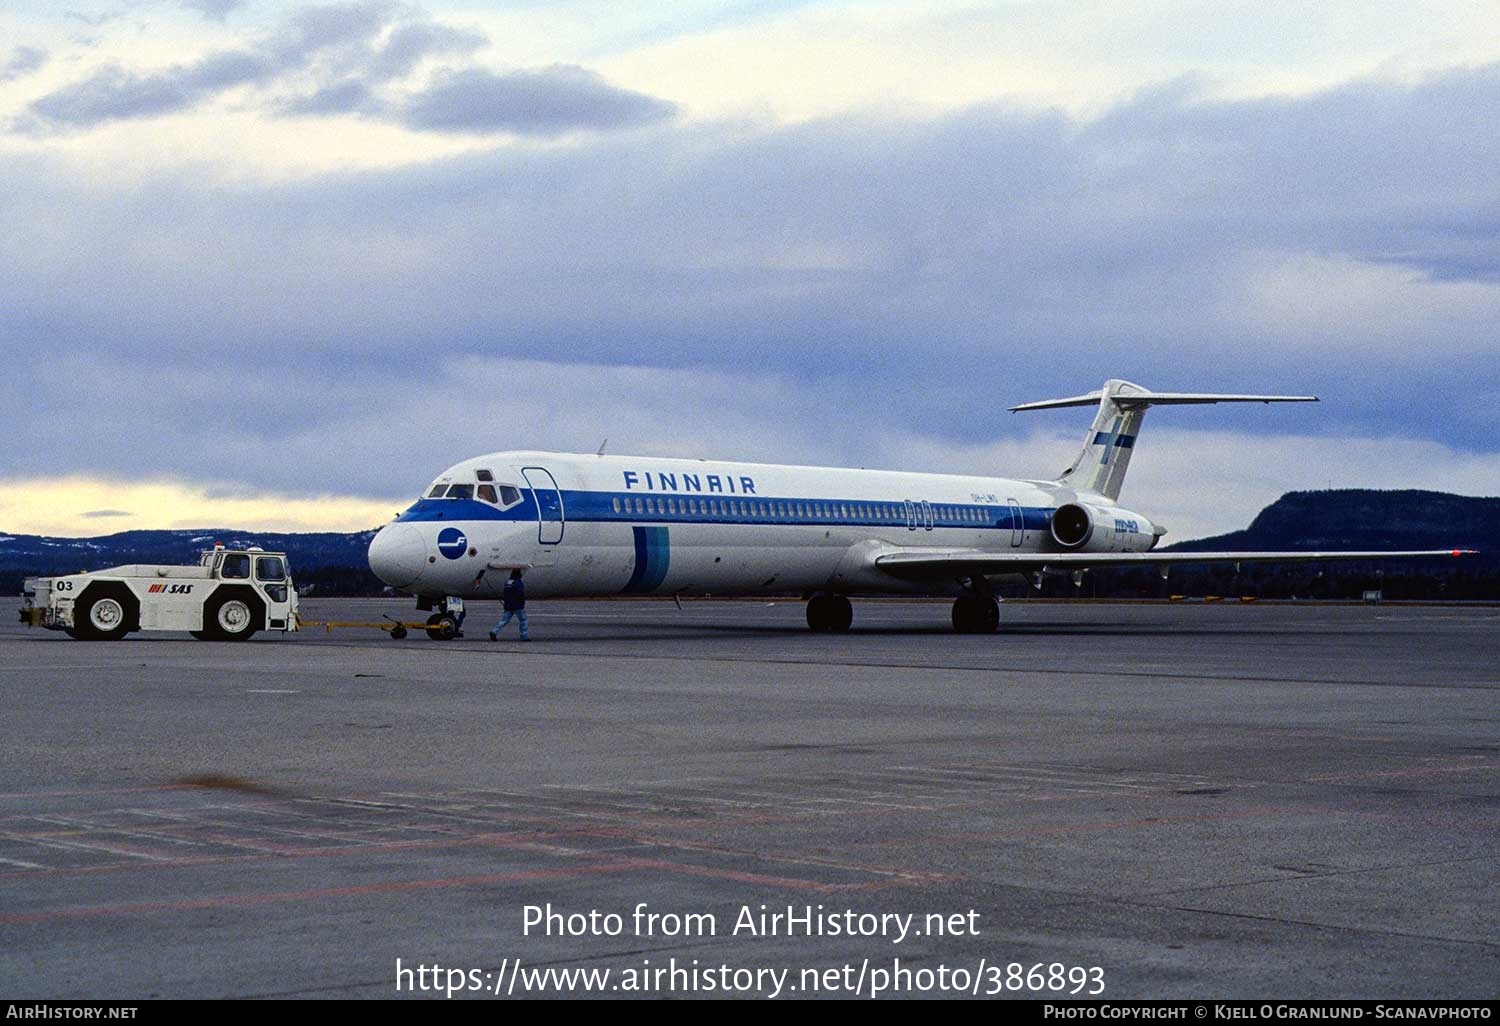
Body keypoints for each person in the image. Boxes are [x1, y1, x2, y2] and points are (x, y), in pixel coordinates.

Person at [489, 569, 530, 641]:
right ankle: (524, 636)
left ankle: (494, 631)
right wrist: (522, 602)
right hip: (517, 605)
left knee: (504, 621)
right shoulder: (518, 582)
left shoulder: (507, 582)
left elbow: (505, 593)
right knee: (523, 620)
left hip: (508, 605)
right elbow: (520, 593)